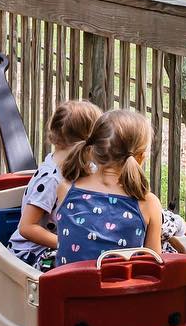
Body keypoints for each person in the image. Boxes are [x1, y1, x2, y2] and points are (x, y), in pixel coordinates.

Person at [53, 109, 163, 265]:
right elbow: (153, 264)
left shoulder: (66, 190)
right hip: (120, 289)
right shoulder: (148, 203)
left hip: (67, 286)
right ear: (140, 158)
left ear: (92, 150)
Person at [10, 100, 103, 267]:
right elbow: (27, 227)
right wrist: (66, 244)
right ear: (90, 143)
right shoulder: (51, 179)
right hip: (34, 252)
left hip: (70, 243)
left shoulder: (87, 169)